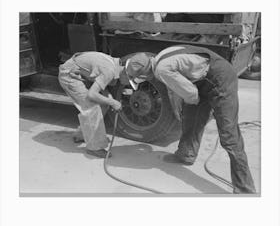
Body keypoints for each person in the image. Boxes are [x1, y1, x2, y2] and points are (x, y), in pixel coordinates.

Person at [125, 45, 256, 193]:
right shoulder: (160, 56)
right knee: (191, 117)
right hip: (204, 78)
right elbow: (181, 86)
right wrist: (186, 105)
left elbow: (192, 95)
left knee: (229, 136)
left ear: (144, 75)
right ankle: (186, 155)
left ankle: (245, 189)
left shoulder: (162, 70)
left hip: (221, 79)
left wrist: (199, 105)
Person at [58, 51, 128, 158]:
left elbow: (98, 80)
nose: (127, 84)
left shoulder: (115, 65)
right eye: (130, 80)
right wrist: (113, 102)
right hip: (69, 75)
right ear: (126, 73)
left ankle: (81, 134)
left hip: (79, 73)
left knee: (104, 104)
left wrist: (108, 98)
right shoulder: (109, 71)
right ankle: (94, 148)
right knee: (92, 107)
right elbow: (92, 94)